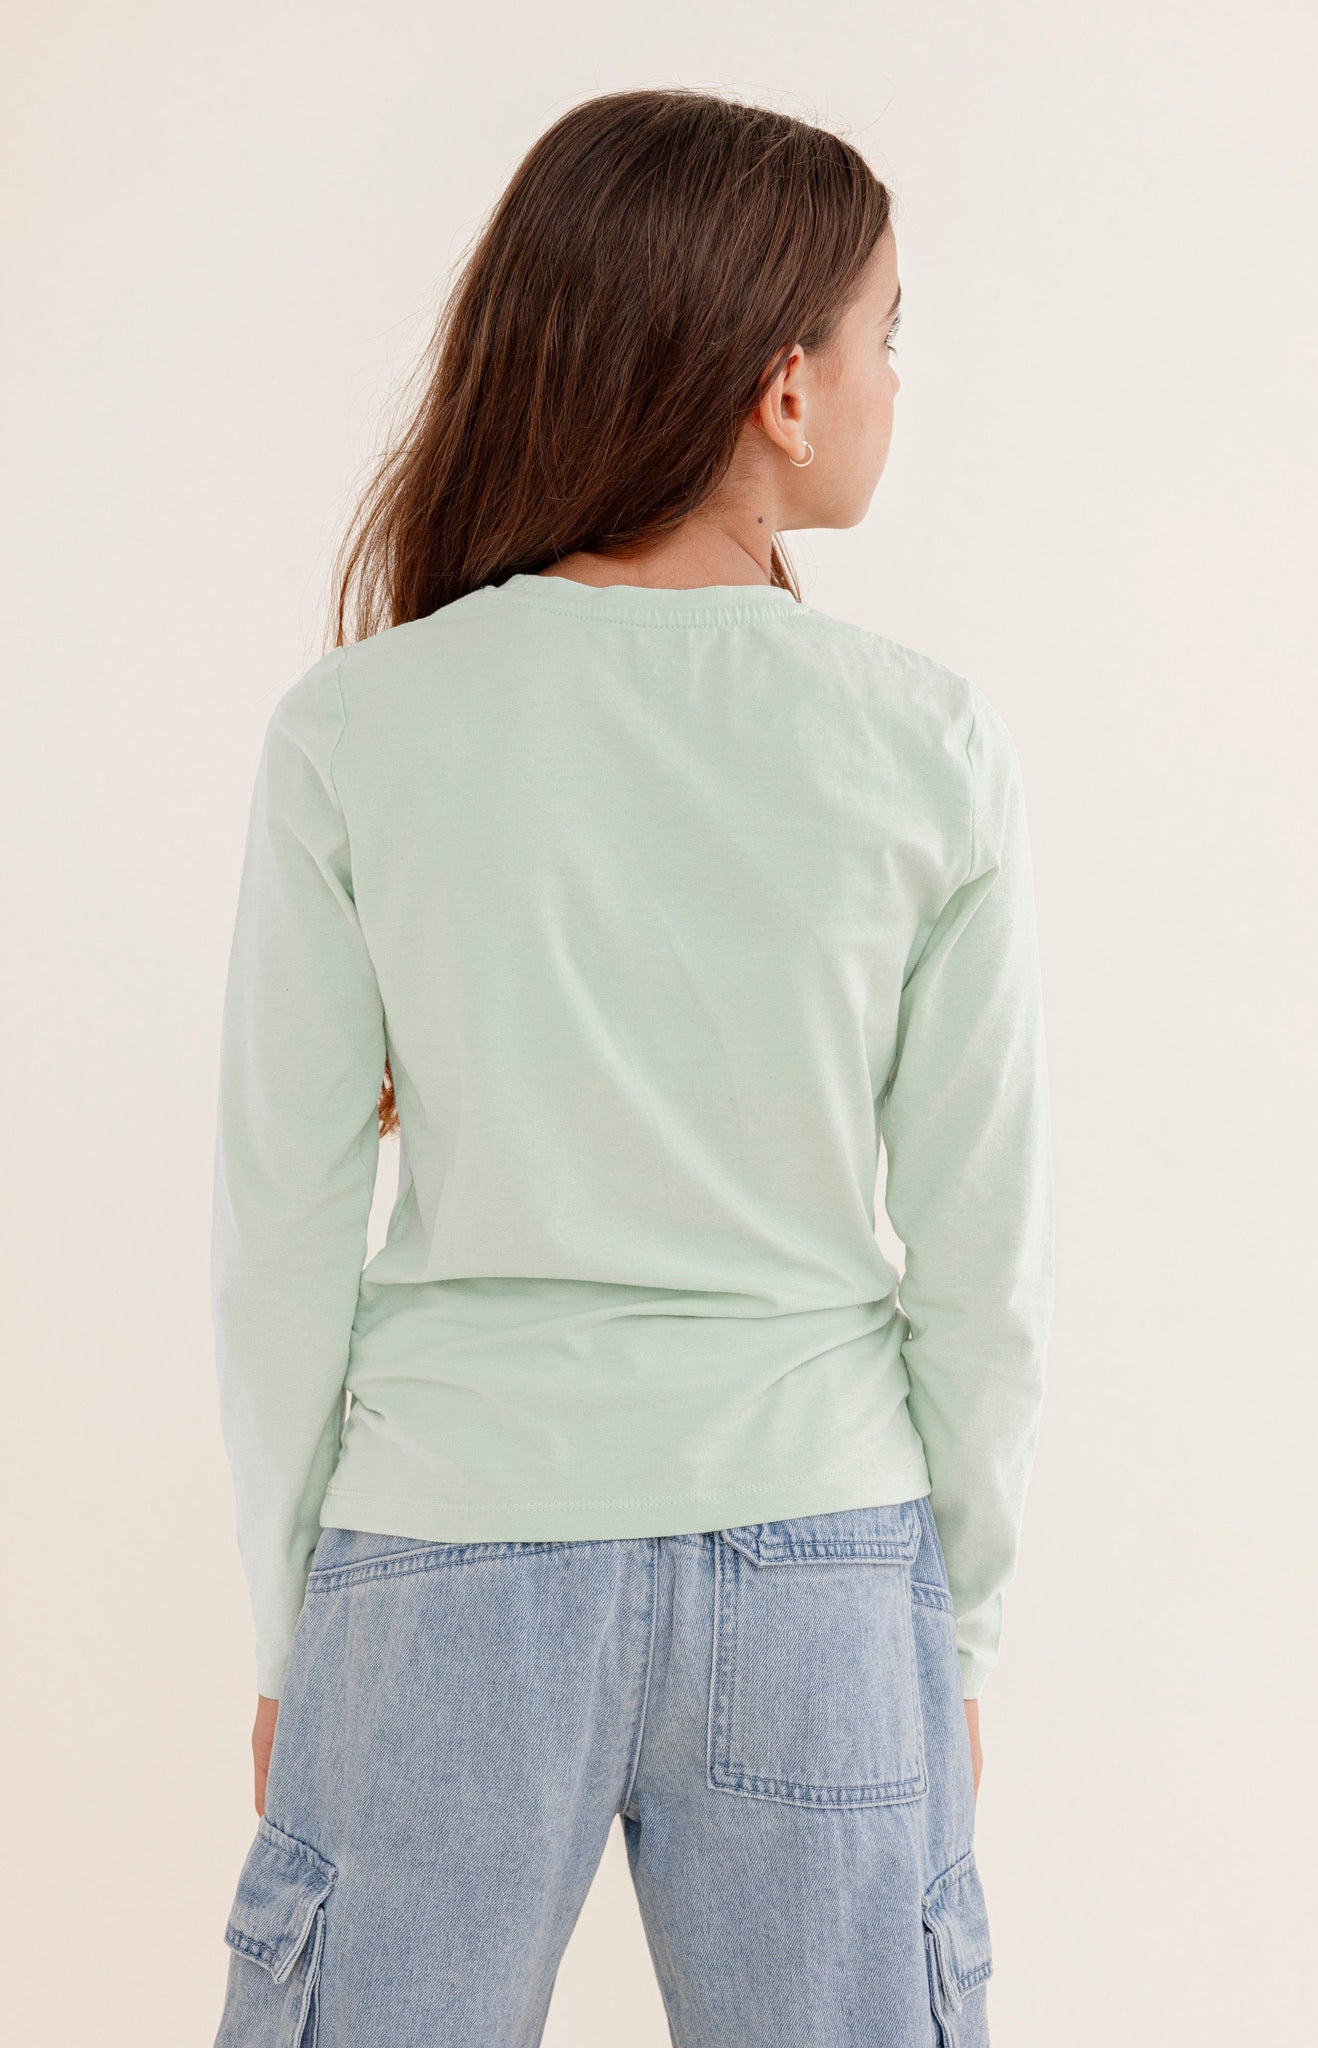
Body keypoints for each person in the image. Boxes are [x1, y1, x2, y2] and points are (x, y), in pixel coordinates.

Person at [209, 85, 1054, 2048]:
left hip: (441, 1547)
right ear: (784, 387)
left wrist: (289, 1618)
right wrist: (956, 1633)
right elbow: (981, 1257)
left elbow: (279, 1237)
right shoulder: (923, 742)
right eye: (886, 333)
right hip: (821, 1566)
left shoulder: (359, 728)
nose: (893, 380)